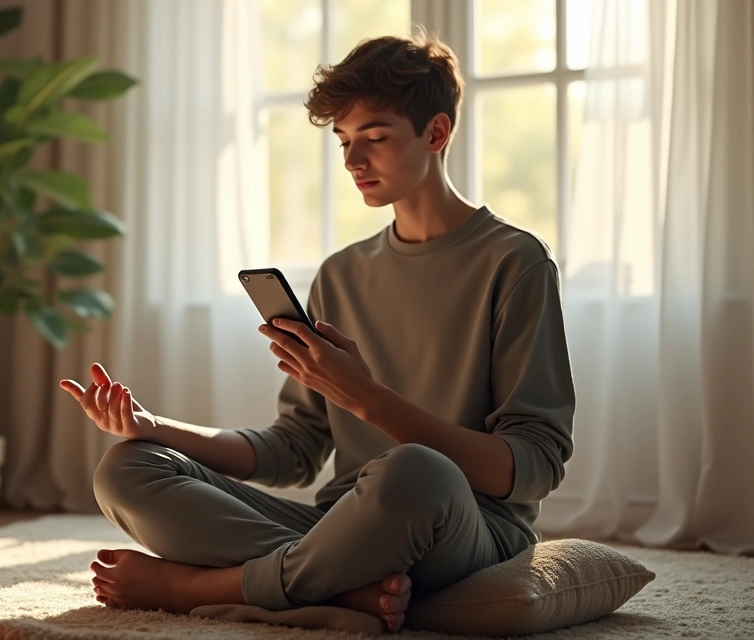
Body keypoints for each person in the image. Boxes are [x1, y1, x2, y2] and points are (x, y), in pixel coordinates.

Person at [59, 30, 574, 634]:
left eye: (375, 139)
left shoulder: (515, 262)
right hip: (343, 529)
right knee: (125, 469)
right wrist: (154, 427)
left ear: (436, 133)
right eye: (345, 141)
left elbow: (533, 466)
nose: (353, 162)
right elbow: (294, 450)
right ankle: (346, 586)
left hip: (461, 528)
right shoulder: (341, 273)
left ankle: (202, 587)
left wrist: (367, 399)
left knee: (415, 470)